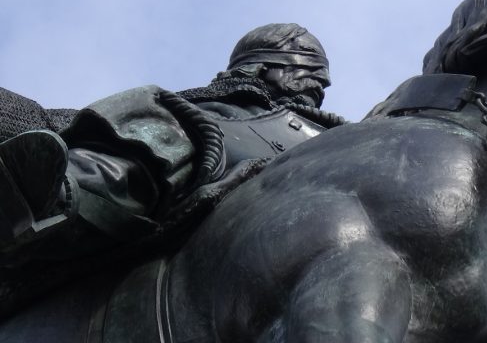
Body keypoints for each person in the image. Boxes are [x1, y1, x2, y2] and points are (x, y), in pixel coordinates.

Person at [0, 24, 342, 277]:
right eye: (304, 71)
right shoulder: (205, 112)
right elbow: (54, 121)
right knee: (162, 130)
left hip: (318, 238)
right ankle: (54, 196)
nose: (316, 85)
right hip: (196, 191)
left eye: (320, 79)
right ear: (261, 68)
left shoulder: (341, 139)